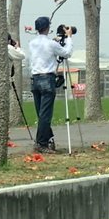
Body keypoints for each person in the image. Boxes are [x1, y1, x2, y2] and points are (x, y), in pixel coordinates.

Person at [27, 16, 74, 154]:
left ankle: (48, 139)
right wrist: (69, 38)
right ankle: (41, 144)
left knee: (41, 114)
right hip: (47, 79)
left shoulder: (32, 43)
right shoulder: (51, 44)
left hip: (35, 80)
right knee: (45, 115)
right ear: (47, 27)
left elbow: (42, 52)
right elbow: (67, 53)